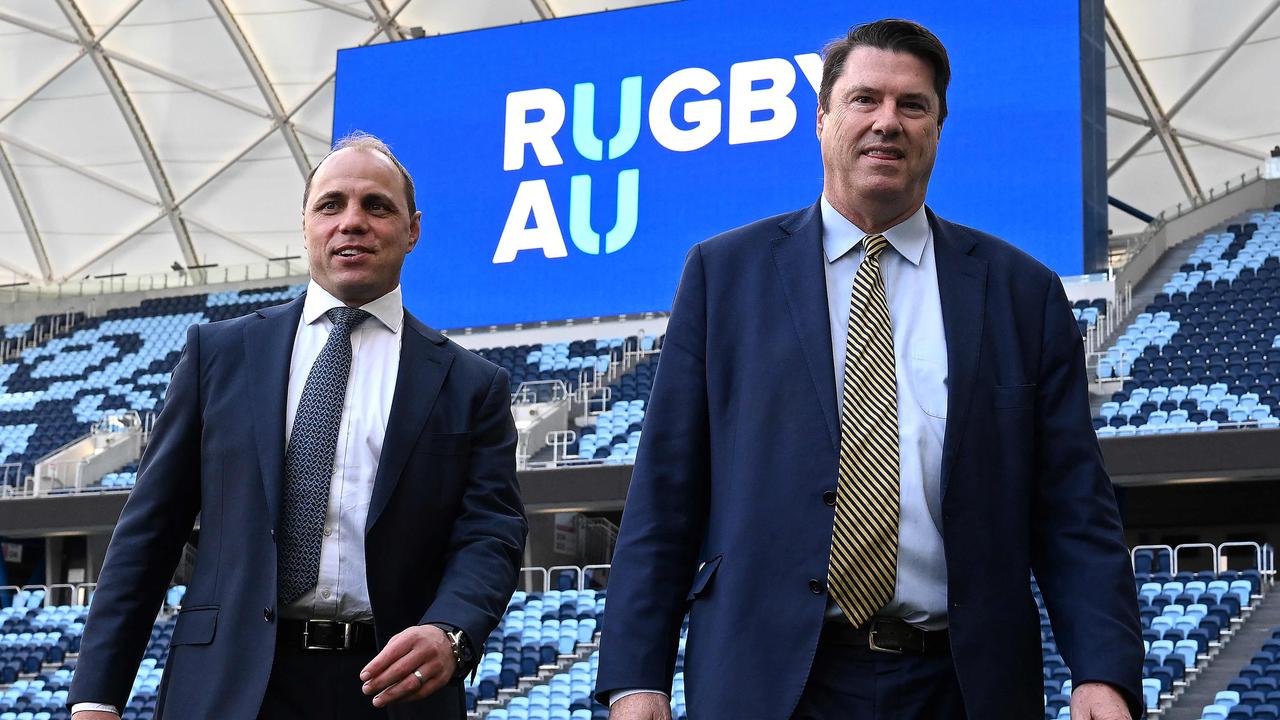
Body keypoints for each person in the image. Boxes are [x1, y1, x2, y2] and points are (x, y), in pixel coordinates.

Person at [595, 19, 1143, 720]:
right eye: (864, 100)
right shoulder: (723, 275)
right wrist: (636, 679)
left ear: (938, 129)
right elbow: (665, 494)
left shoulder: (1021, 293)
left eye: (911, 105)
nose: (887, 122)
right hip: (769, 684)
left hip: (961, 685)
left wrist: (1103, 671)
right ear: (822, 118)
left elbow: (1074, 506)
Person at [67, 133, 527, 720]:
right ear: (305, 224)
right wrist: (95, 698)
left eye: (376, 206)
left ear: (413, 229)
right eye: (331, 205)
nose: (352, 222)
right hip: (229, 686)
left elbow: (491, 534)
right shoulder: (219, 354)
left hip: (392, 689)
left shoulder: (471, 383)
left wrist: (451, 630)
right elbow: (148, 533)